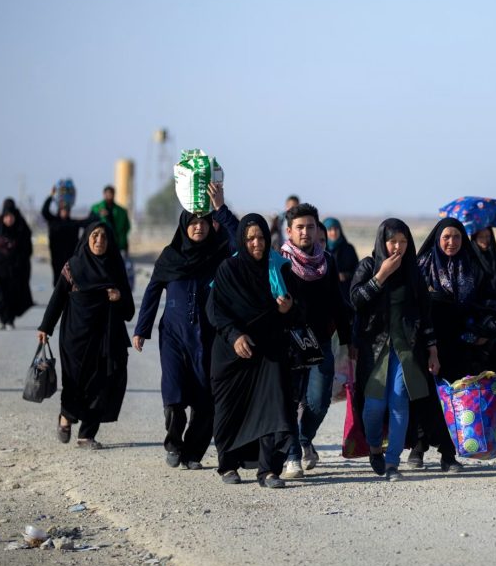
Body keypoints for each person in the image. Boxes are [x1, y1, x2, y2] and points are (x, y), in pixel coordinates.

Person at [132, 184, 237, 470]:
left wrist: (221, 208)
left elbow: (243, 242)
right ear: (184, 225)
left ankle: (193, 453)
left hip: (209, 336)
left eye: (203, 221)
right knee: (174, 394)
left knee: (206, 400)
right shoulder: (170, 256)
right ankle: (173, 442)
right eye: (193, 222)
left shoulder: (219, 254)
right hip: (174, 336)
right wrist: (142, 328)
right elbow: (153, 291)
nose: (199, 227)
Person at [206, 214, 298, 489]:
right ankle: (228, 465)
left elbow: (295, 312)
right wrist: (235, 336)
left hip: (268, 351)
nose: (257, 243)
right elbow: (215, 310)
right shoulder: (228, 269)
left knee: (273, 408)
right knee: (229, 411)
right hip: (231, 353)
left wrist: (286, 309)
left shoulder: (280, 269)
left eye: (261, 237)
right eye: (250, 239)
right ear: (242, 241)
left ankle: (268, 471)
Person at [350, 219, 441, 483]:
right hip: (375, 348)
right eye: (393, 242)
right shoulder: (368, 266)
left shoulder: (413, 272)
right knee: (374, 406)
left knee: (399, 401)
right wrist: (381, 276)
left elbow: (425, 315)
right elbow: (355, 300)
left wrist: (433, 351)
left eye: (403, 242)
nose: (398, 247)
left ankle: (392, 462)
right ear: (382, 242)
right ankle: (375, 446)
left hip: (405, 349)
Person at [408, 217, 496, 471]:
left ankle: (448, 455)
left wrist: (485, 330)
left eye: (457, 237)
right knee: (425, 396)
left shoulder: (475, 268)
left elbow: (492, 303)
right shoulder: (422, 267)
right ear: (437, 239)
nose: (451, 242)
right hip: (428, 343)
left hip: (463, 346)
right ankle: (419, 446)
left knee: (457, 398)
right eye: (446, 237)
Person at [37, 223, 135, 449]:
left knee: (102, 384)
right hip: (75, 339)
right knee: (74, 382)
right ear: (87, 239)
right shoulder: (73, 266)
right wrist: (46, 327)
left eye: (104, 237)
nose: (99, 240)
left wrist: (119, 296)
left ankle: (86, 435)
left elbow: (129, 311)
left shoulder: (115, 267)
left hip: (106, 339)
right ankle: (66, 416)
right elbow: (58, 298)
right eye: (95, 235)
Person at [279, 203, 355, 479]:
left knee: (319, 400)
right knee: (289, 401)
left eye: (310, 226)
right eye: (299, 227)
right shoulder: (279, 262)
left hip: (320, 342)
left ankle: (303, 438)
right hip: (289, 343)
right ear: (289, 231)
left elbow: (338, 302)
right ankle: (292, 457)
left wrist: (349, 340)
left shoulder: (328, 261)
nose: (305, 231)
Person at [0, 199, 34, 330]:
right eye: (6, 216)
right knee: (0, 295)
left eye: (11, 216)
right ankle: (2, 320)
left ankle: (10, 320)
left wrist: (22, 266)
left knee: (12, 295)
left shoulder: (21, 227)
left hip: (15, 269)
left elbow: (27, 250)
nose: (8, 219)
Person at [41, 187, 89, 286]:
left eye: (67, 210)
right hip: (56, 256)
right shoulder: (53, 221)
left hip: (70, 258)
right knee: (58, 281)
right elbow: (44, 211)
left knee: (71, 281)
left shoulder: (72, 223)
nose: (65, 212)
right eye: (63, 210)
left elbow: (88, 223)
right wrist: (51, 196)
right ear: (59, 210)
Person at [471, 227, 496, 310]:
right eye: (481, 237)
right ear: (474, 238)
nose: (485, 240)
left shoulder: (495, 257)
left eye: (488, 236)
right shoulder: (470, 260)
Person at [323, 217, 360, 302]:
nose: (333, 232)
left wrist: (346, 275)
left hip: (346, 293)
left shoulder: (349, 249)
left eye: (336, 228)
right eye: (329, 229)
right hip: (326, 295)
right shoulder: (320, 249)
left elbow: (357, 271)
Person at [90, 186, 132, 255]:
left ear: (114, 194)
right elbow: (89, 223)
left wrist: (124, 244)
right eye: (107, 193)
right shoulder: (96, 208)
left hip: (117, 244)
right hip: (100, 244)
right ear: (104, 194)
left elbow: (126, 228)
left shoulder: (121, 211)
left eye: (111, 193)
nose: (109, 196)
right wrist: (98, 215)